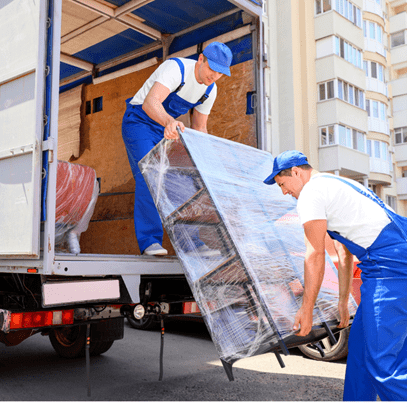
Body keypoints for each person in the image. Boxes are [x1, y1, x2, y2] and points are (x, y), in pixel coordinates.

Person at [263, 150, 407, 401]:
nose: (284, 192)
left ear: (296, 172)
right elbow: (343, 251)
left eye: (283, 184)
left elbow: (315, 254)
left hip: (391, 269)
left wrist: (306, 309)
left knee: (384, 368)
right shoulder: (336, 183)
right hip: (385, 266)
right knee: (361, 358)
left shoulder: (310, 193)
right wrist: (343, 301)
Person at [122, 42, 233, 256]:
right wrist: (169, 122)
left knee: (183, 182)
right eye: (212, 69)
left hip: (167, 129)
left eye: (220, 73)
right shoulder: (176, 69)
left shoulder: (211, 89)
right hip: (140, 123)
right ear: (201, 59)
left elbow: (200, 127)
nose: (214, 76)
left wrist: (205, 160)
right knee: (150, 175)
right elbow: (150, 103)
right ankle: (149, 242)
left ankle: (191, 245)